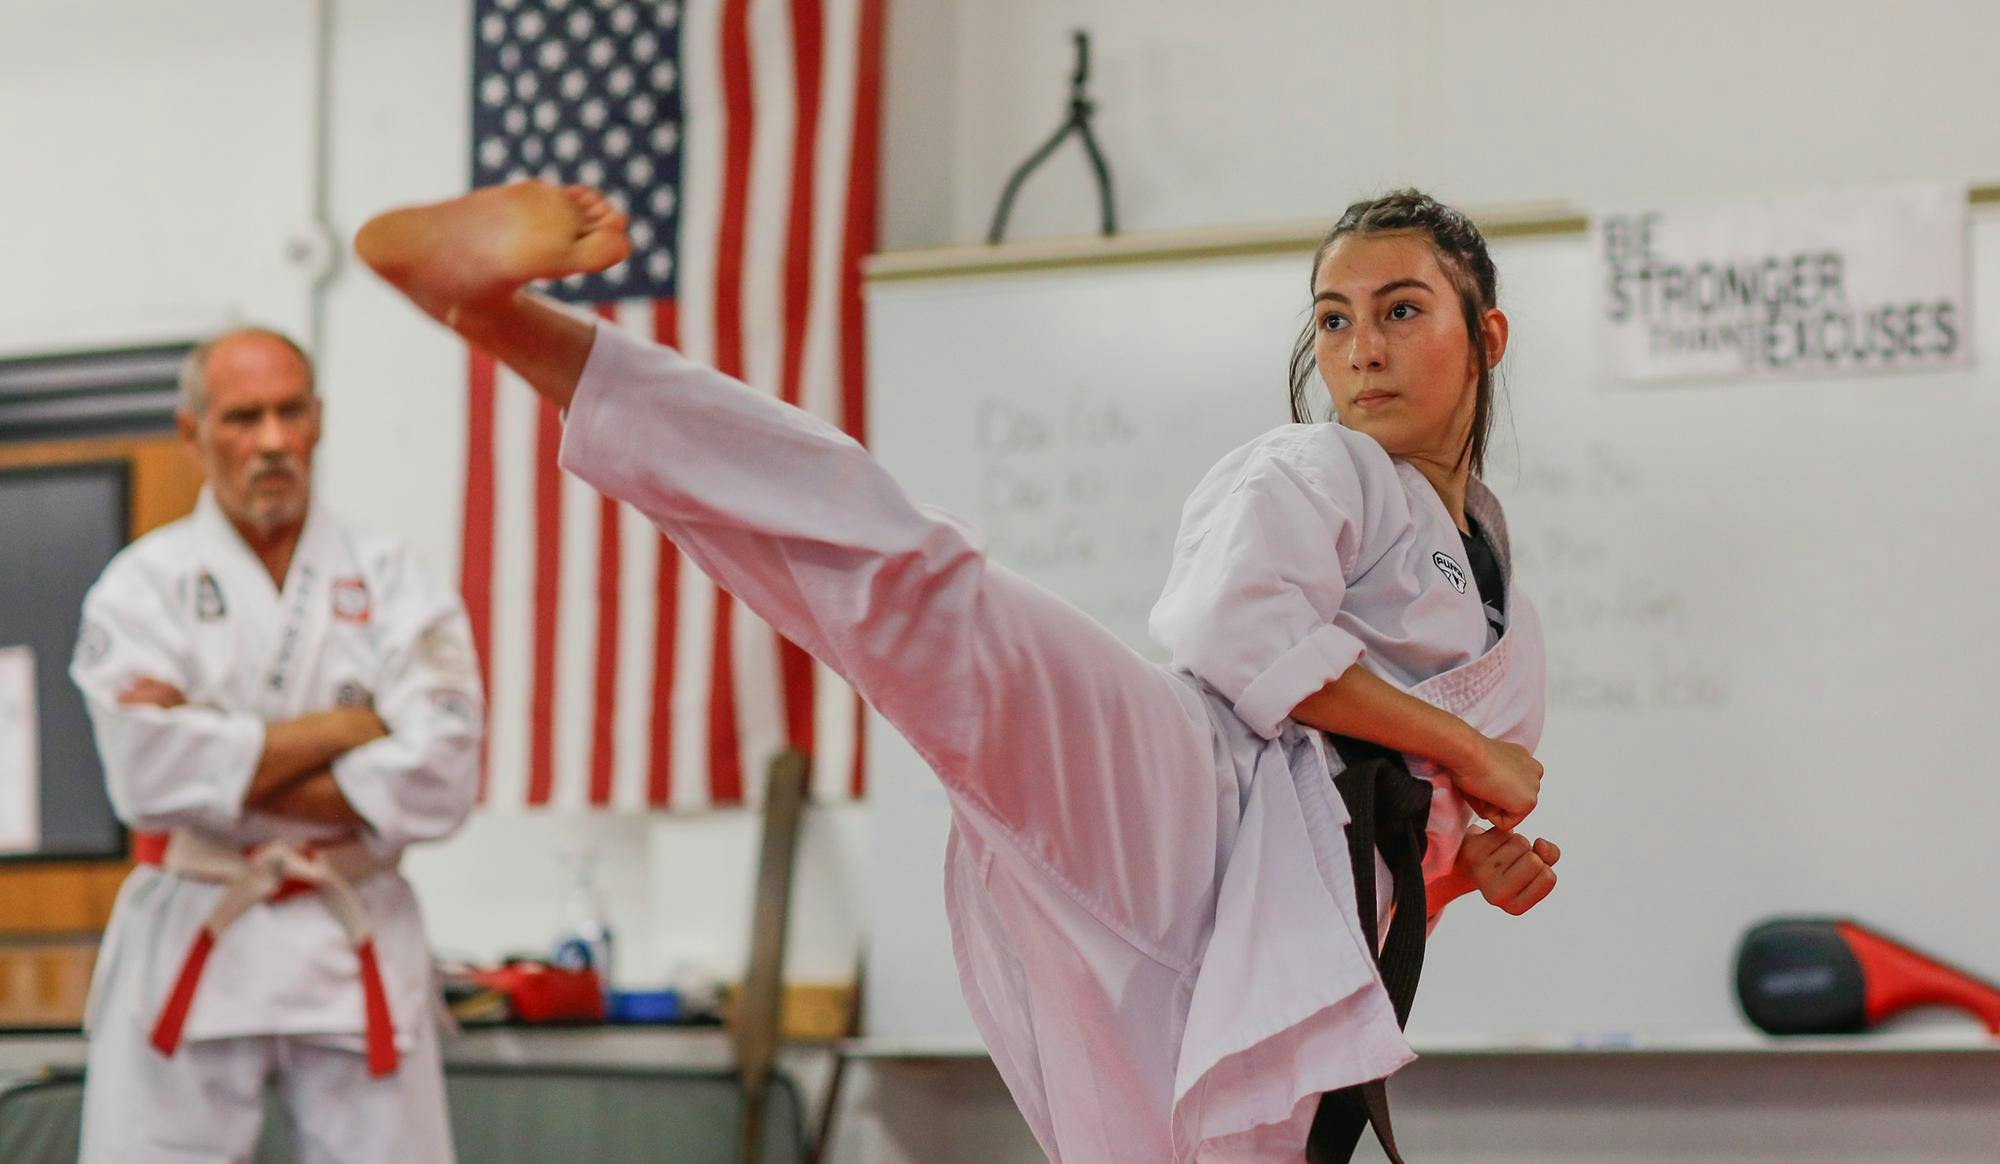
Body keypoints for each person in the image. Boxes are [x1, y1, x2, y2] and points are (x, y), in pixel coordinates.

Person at [354, 182, 1556, 1163]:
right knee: (925, 595)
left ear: (1482, 338)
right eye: (1333, 318)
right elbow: (1235, 641)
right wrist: (1464, 750)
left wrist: (1463, 874)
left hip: (1288, 933)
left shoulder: (1505, 601)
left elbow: (1406, 835)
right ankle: (506, 319)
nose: (1359, 352)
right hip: (1198, 788)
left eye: (1400, 312)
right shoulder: (1316, 468)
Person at [68, 327, 484, 1162]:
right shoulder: (143, 587)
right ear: (191, 433)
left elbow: (443, 777)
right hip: (198, 921)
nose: (270, 442)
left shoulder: (393, 576)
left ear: (319, 421)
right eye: (241, 418)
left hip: (351, 922)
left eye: (289, 413)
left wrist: (216, 751)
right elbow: (144, 777)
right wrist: (344, 731)